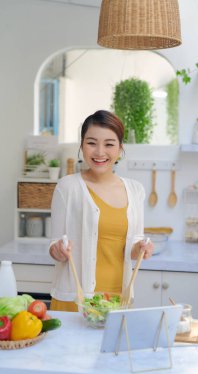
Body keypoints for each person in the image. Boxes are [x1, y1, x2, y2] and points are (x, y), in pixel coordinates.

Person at [49, 110, 154, 312]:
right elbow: (54, 245)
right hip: (73, 300)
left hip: (117, 301)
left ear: (120, 148)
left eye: (109, 144)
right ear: (81, 146)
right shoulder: (67, 187)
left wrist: (141, 247)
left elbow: (131, 248)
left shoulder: (135, 190)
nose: (99, 152)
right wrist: (59, 250)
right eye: (91, 143)